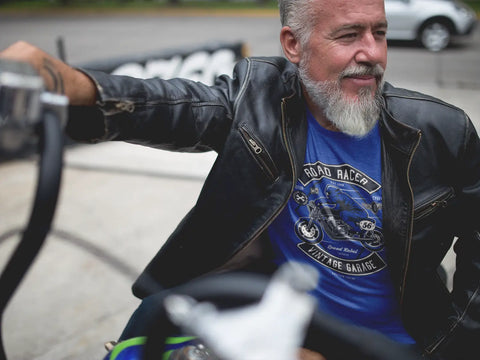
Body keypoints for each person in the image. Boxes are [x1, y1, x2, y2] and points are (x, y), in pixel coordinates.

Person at [1, 0, 479, 359]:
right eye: (348, 35)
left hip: (398, 342)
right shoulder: (260, 100)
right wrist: (74, 83)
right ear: (293, 45)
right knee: (149, 329)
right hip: (279, 317)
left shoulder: (443, 130)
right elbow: (172, 106)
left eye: (379, 32)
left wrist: (455, 344)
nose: (372, 53)